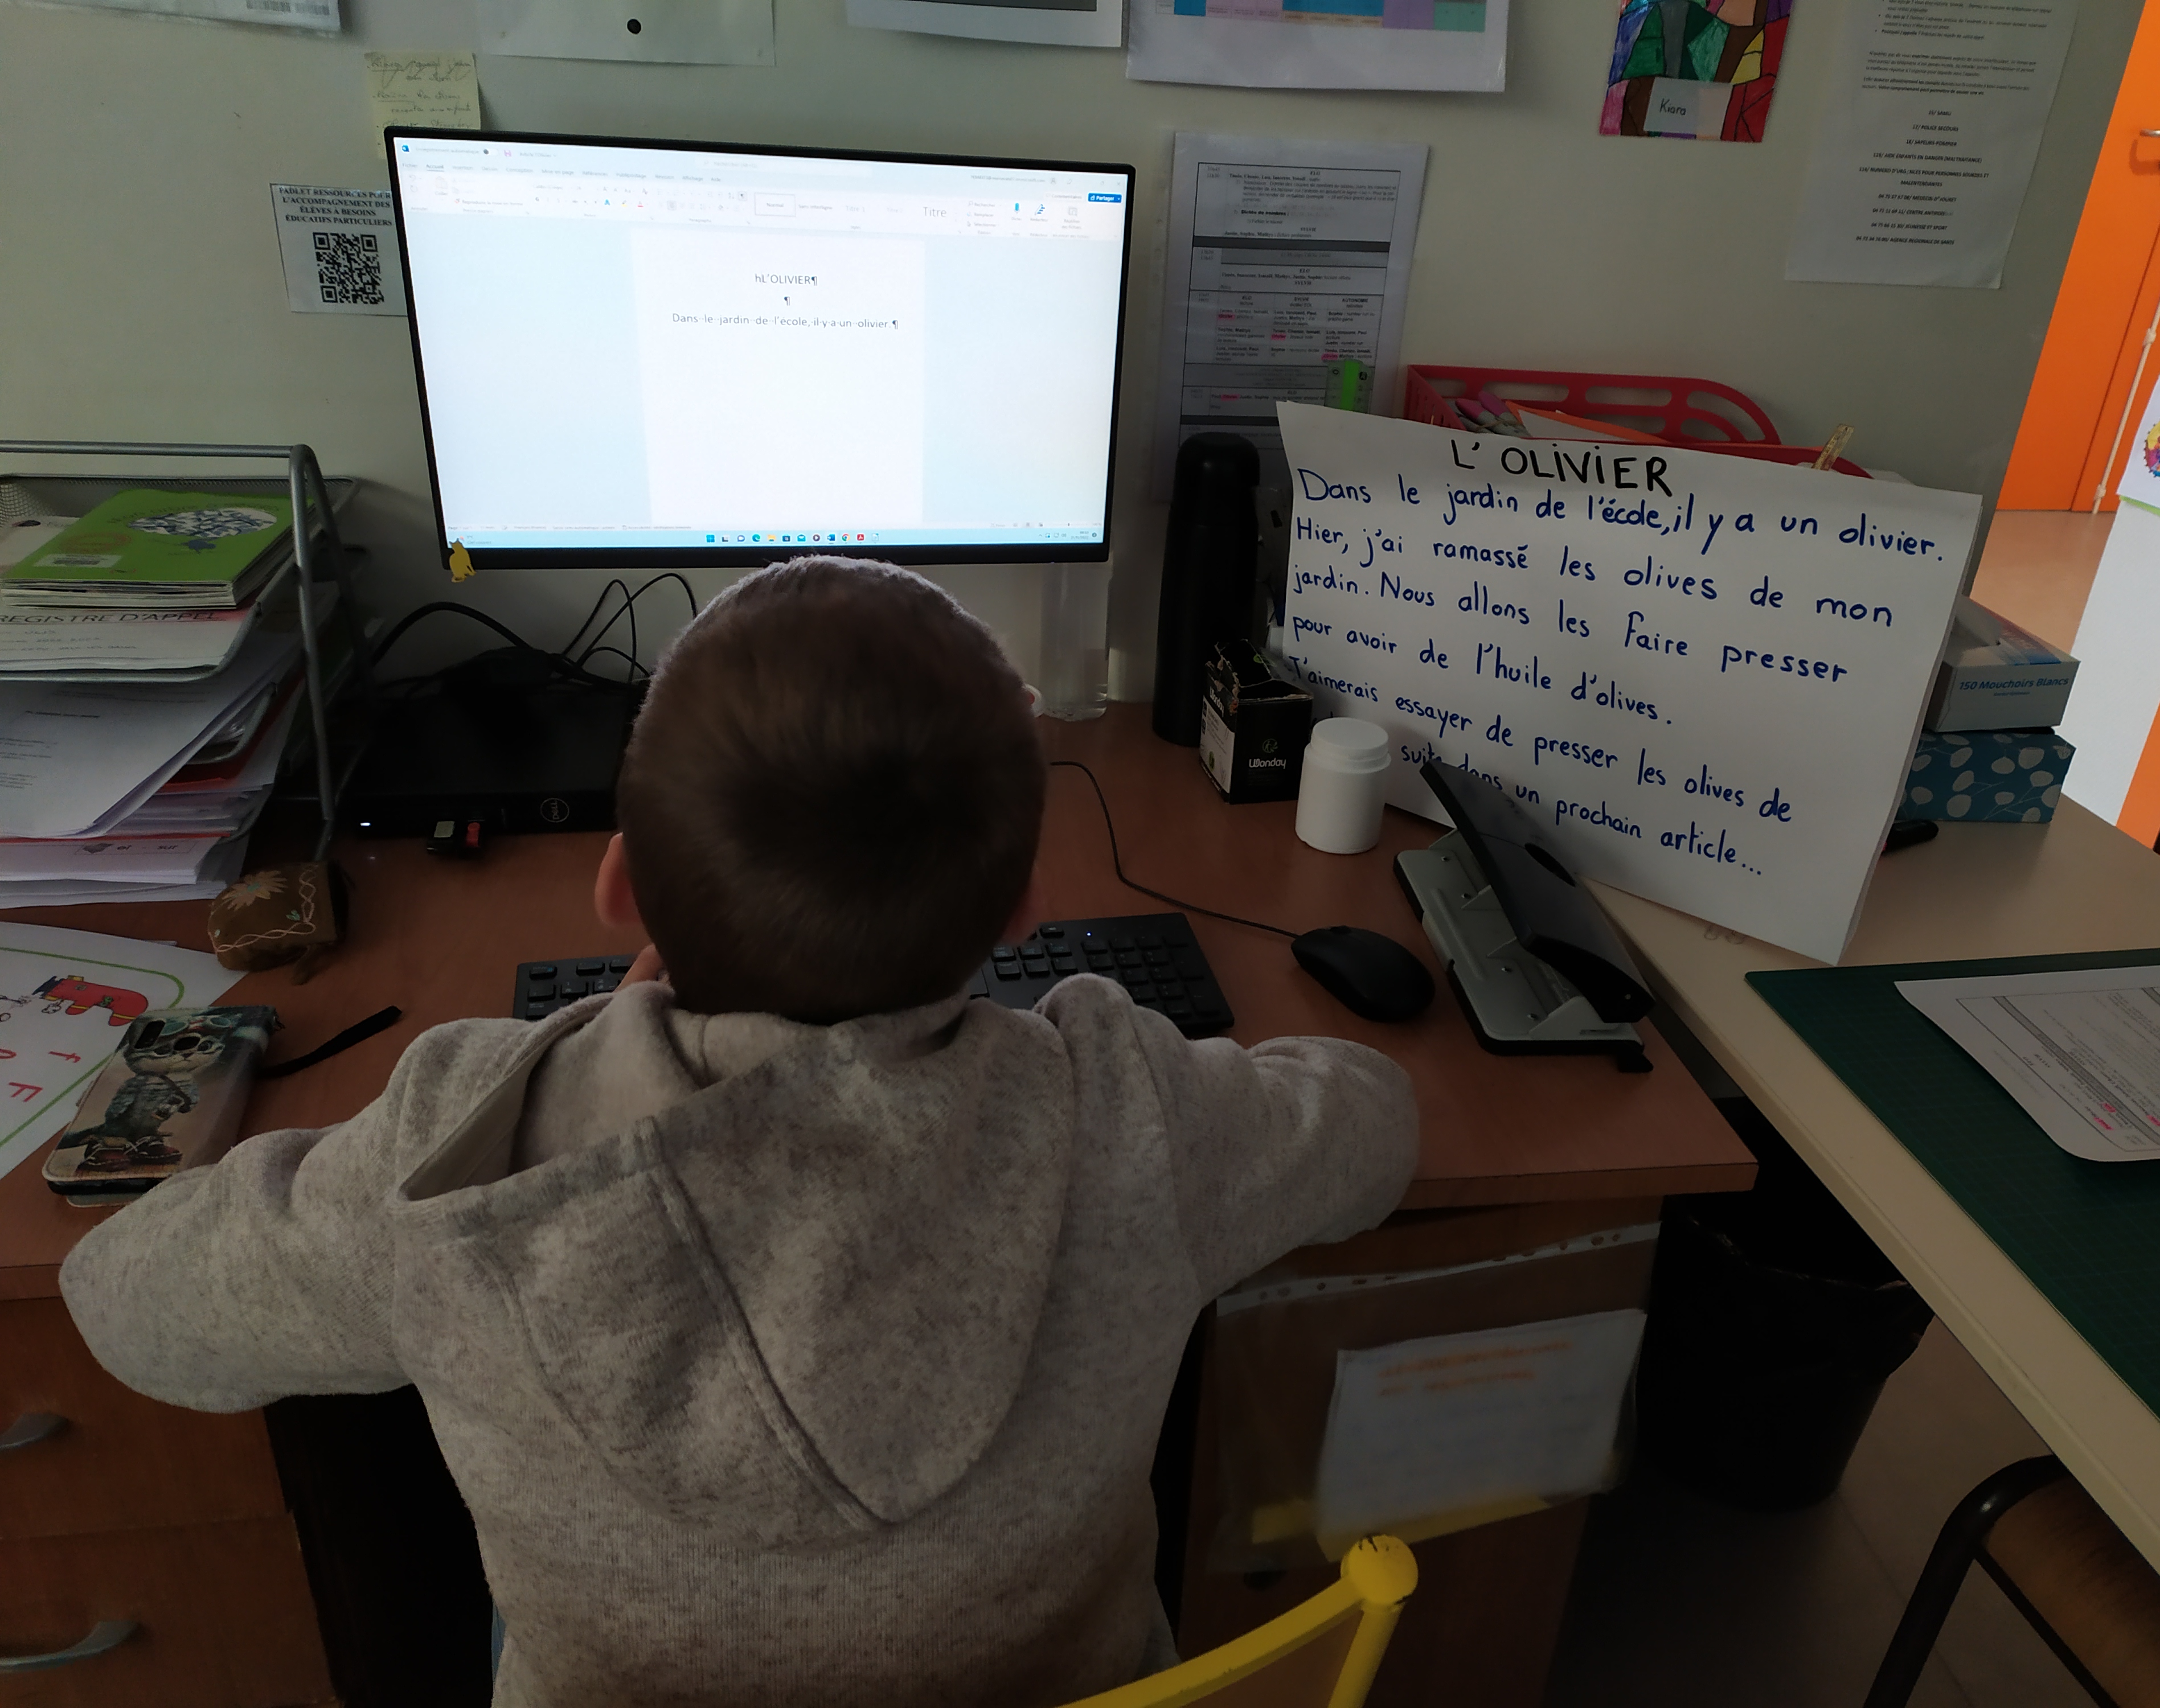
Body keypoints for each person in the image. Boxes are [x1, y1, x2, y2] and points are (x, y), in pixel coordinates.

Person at [60, 557, 1418, 1708]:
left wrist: (580, 1053)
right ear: (1019, 913)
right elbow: (1374, 1127)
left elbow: (127, 1309)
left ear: (617, 882)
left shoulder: (454, 1157)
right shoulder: (1134, 1116)